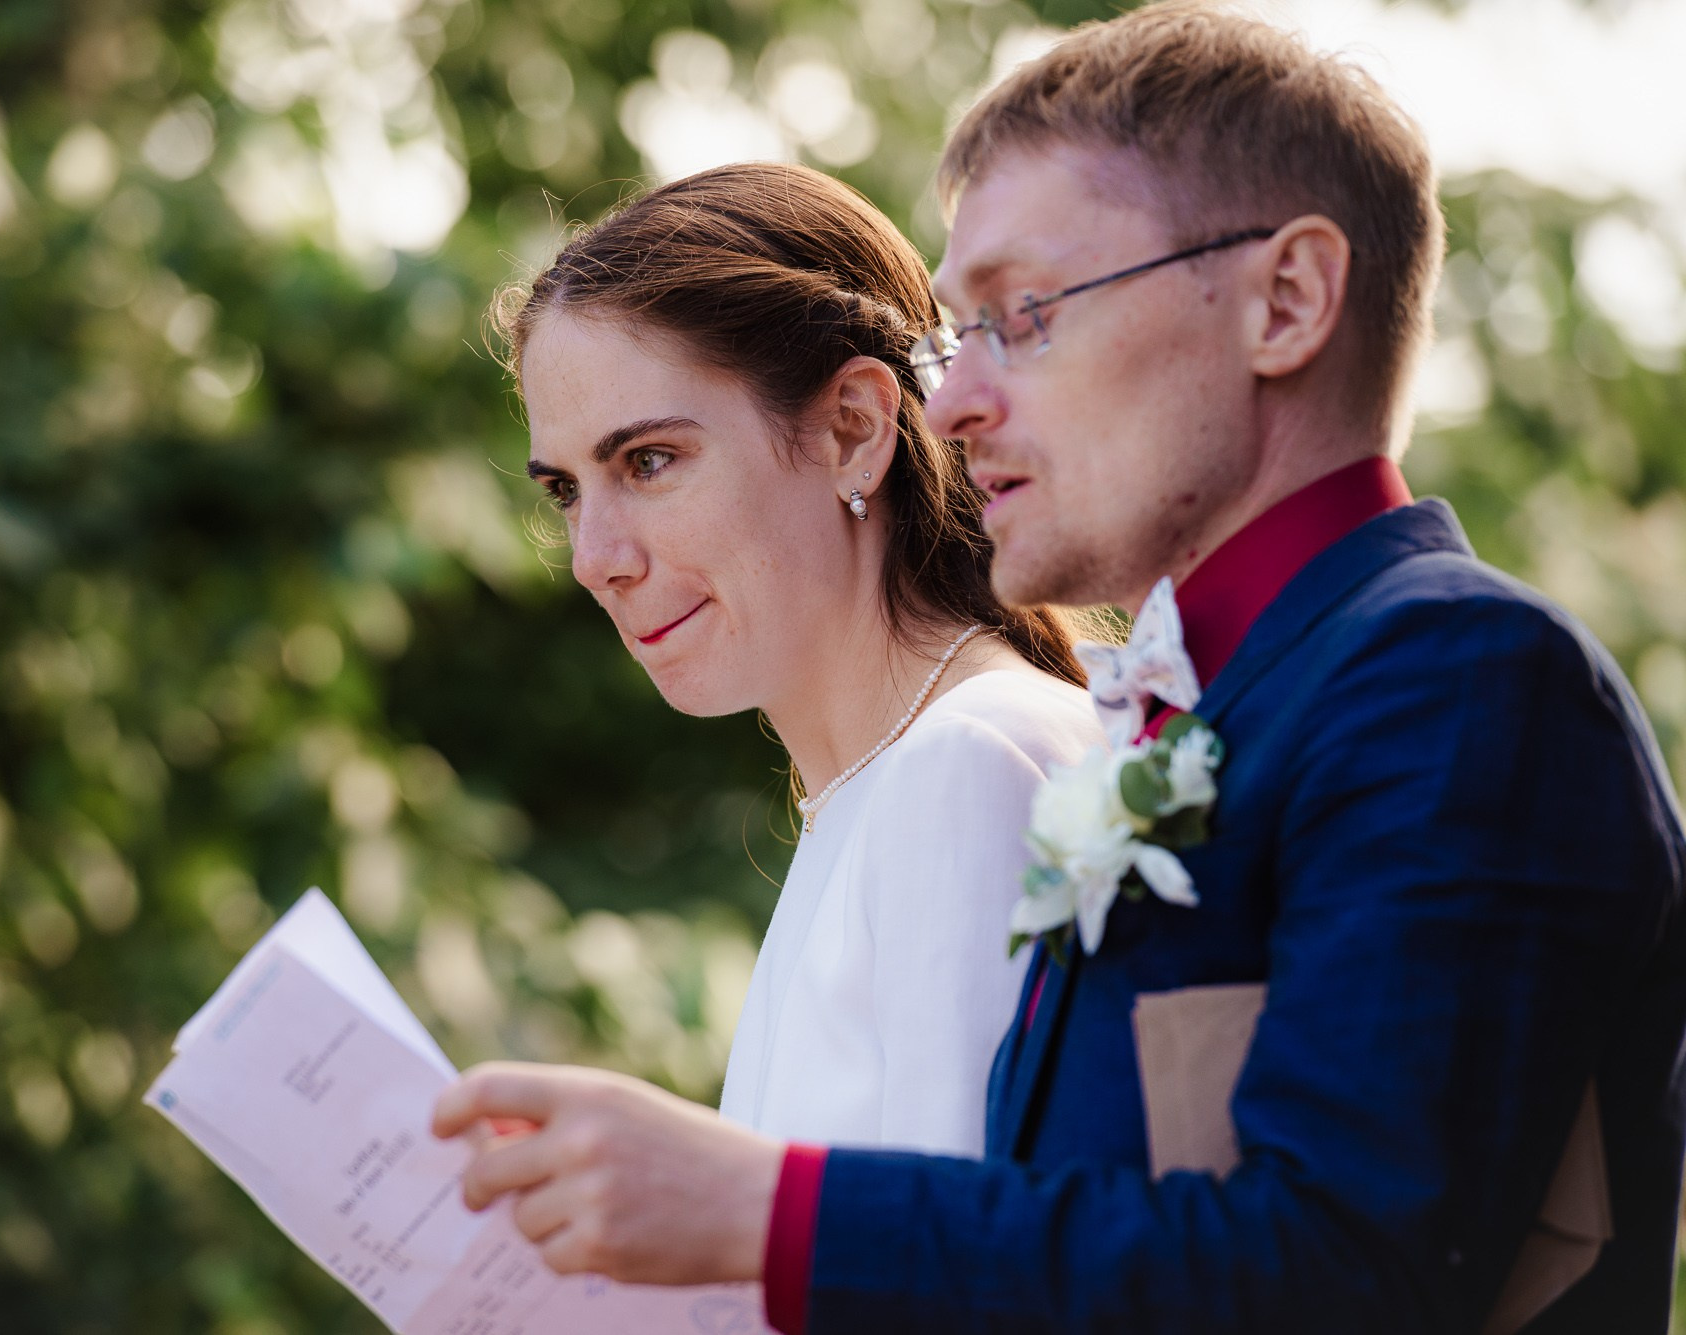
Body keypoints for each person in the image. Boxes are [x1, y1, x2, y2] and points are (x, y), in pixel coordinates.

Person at [431, 4, 1686, 1332]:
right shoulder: (1217, 714)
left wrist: (765, 1213)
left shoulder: (1460, 676)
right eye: (958, 333)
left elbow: (1346, 1267)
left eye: (1024, 316)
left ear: (1288, 299)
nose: (957, 399)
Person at [499, 162, 1104, 1158]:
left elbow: (977, 1283)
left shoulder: (967, 767)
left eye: (646, 462)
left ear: (851, 430)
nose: (595, 559)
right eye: (565, 490)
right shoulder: (870, 797)